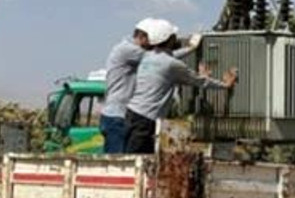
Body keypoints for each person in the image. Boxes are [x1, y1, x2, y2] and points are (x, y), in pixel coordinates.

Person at [125, 19, 237, 154]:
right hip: (147, 119)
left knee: (130, 157)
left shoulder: (148, 57)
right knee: (141, 160)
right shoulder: (172, 65)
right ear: (170, 39)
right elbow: (199, 81)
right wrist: (225, 85)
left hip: (131, 113)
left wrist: (191, 48)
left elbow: (169, 57)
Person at [100, 19, 201, 154]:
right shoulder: (129, 50)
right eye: (153, 39)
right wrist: (190, 48)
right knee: (120, 166)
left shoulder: (127, 49)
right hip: (118, 117)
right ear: (142, 37)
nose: (156, 44)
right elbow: (162, 59)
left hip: (118, 115)